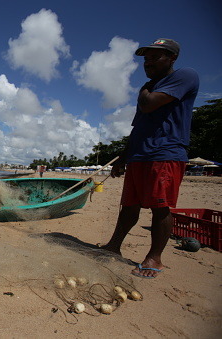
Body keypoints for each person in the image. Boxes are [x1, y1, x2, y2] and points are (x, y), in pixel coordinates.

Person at [102, 39, 199, 279]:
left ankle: (155, 257)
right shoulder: (150, 86)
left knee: (160, 207)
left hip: (164, 154)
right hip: (139, 156)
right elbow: (138, 129)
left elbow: (148, 104)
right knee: (129, 206)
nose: (149, 62)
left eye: (156, 57)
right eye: (146, 58)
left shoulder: (185, 76)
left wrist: (143, 90)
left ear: (172, 58)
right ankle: (113, 246)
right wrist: (123, 158)